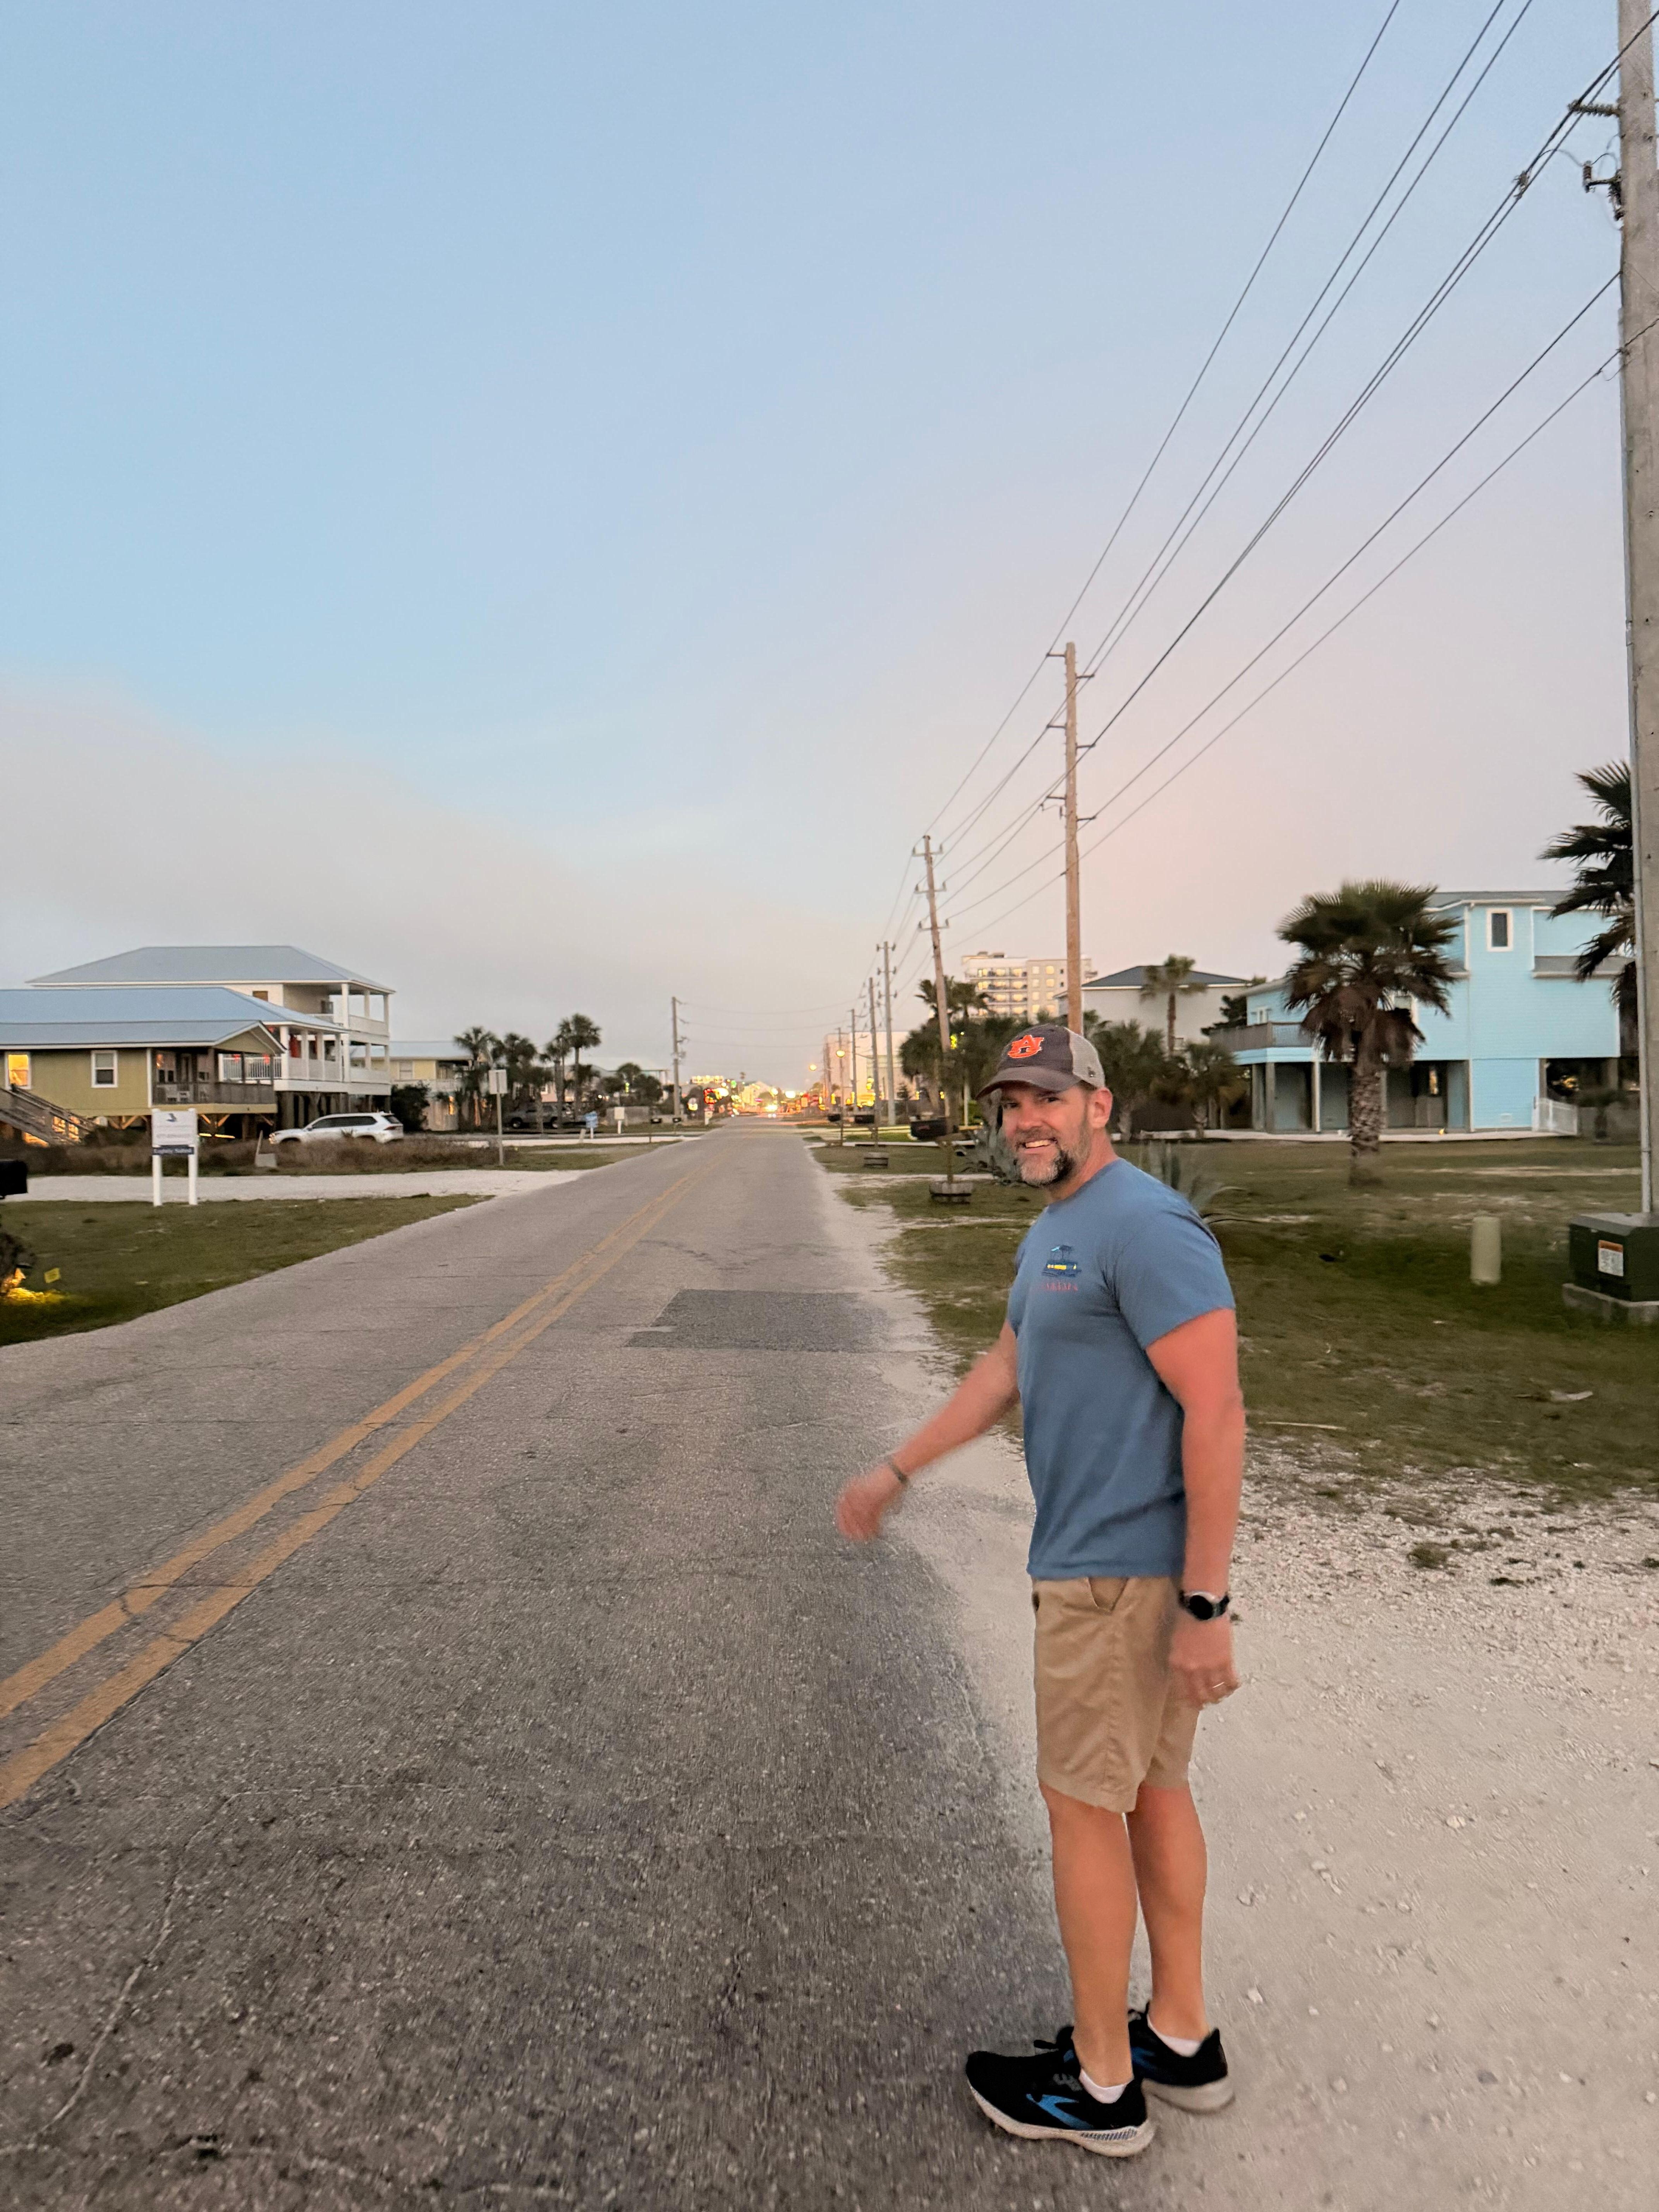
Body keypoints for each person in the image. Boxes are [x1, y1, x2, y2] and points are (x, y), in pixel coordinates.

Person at [836, 1023, 1245, 2161]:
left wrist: (1204, 1604)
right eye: (1010, 1103)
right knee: (1151, 1795)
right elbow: (1007, 1366)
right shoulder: (1059, 1230)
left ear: (1098, 1106)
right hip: (1116, 1573)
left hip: (1120, 1579)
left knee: (1081, 1811)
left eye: (1047, 1100)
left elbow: (1216, 1411)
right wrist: (900, 1465)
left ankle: (1103, 2086)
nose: (1025, 1120)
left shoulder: (1146, 1226)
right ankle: (1178, 2034)